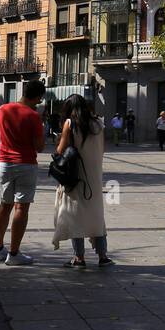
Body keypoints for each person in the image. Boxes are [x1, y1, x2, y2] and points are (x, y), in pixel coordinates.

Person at [0, 78, 47, 265]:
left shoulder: (2, 110)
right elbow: (39, 147)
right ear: (38, 97)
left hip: (4, 163)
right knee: (21, 207)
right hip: (26, 164)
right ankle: (14, 254)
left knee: (4, 205)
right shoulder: (33, 116)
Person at [53, 94, 111, 267]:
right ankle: (102, 256)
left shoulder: (70, 124)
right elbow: (102, 148)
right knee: (96, 214)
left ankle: (79, 258)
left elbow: (60, 150)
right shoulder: (99, 123)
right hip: (94, 174)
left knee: (74, 214)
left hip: (75, 175)